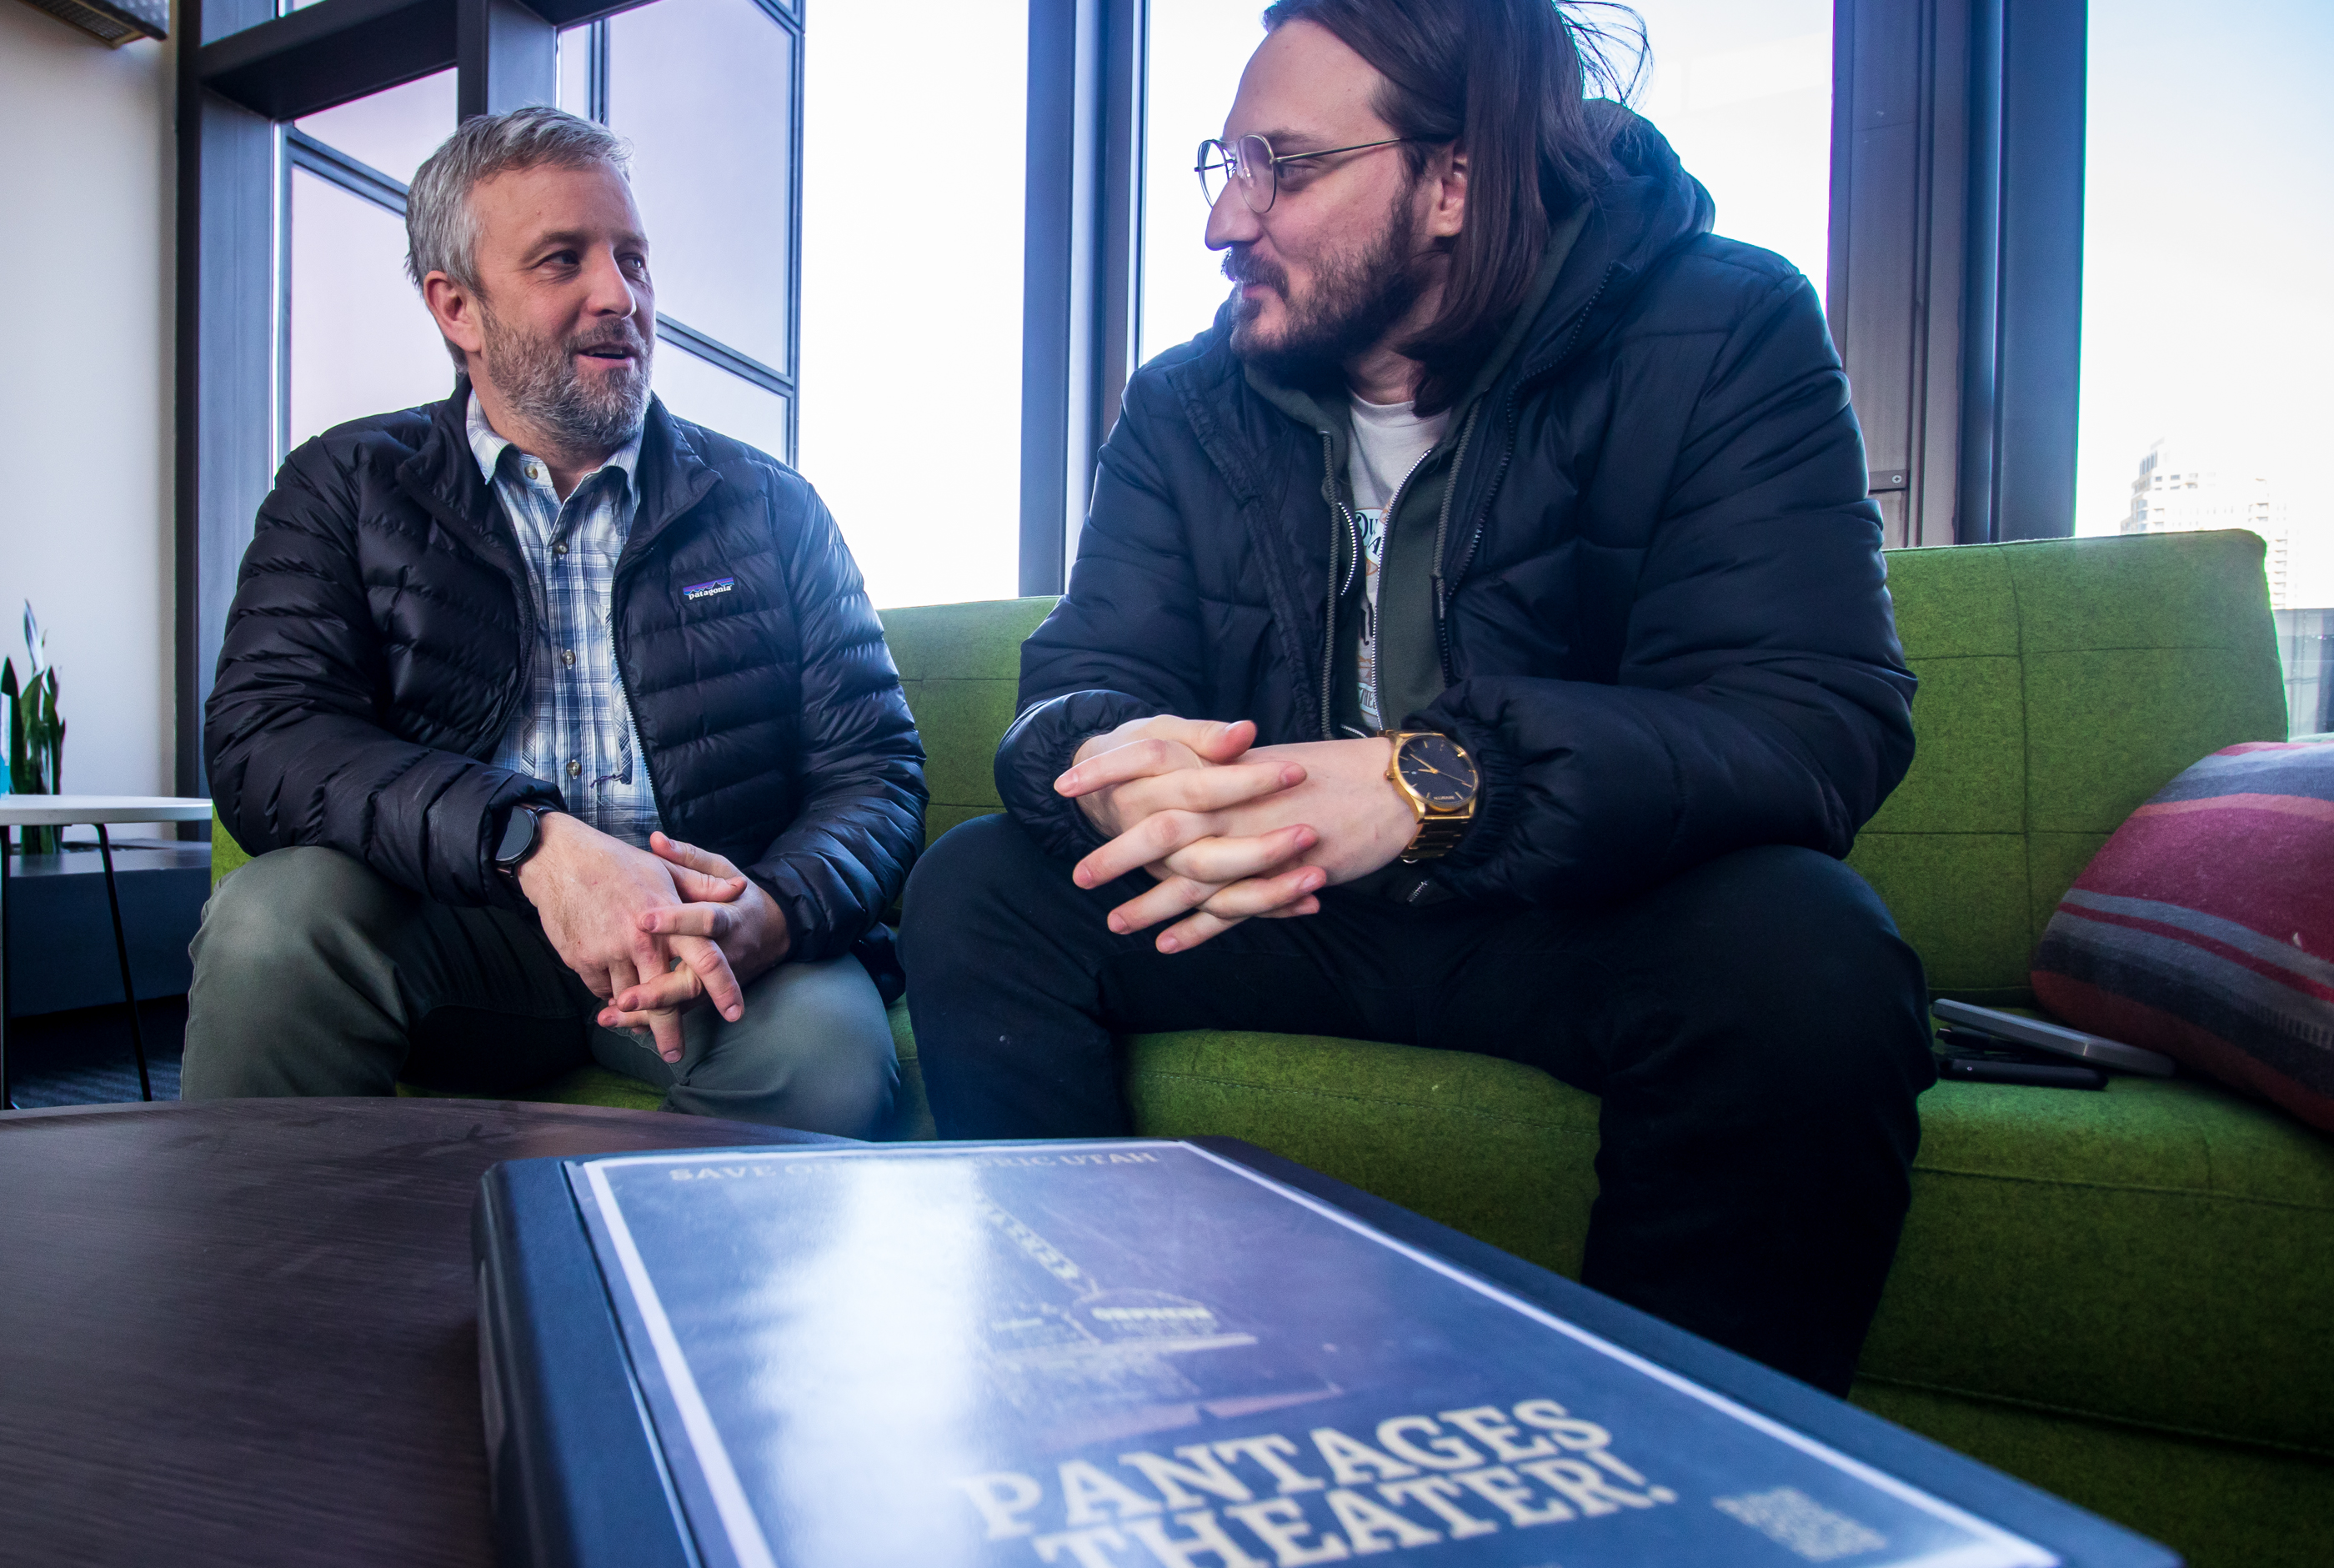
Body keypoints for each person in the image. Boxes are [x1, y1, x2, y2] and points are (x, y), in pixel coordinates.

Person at [902, 0, 1931, 1392]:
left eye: (1284, 168)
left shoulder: (1723, 328)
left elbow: (1813, 719)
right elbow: (1081, 681)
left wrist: (1432, 783)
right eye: (1226, 164)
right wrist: (1111, 758)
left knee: (1810, 960)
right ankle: (1102, 1393)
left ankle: (1679, 1475)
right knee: (981, 890)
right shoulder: (1187, 402)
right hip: (1288, 907)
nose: (1224, 221)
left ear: (1454, 181)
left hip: (1570, 918)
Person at [183, 108, 924, 1135]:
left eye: (633, 259)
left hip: (700, 942)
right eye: (561, 260)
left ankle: (601, 1238)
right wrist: (530, 841)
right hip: (457, 919)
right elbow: (268, 736)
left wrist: (779, 907)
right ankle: (281, 1251)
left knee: (827, 1054)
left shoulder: (773, 507)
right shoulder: (344, 485)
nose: (619, 296)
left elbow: (874, 769)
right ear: (457, 307)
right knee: (274, 924)